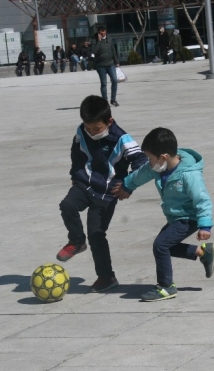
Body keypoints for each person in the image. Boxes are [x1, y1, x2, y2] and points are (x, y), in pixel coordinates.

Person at [57, 95, 148, 292]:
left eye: (97, 129)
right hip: (84, 183)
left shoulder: (122, 139)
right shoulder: (81, 132)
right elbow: (77, 154)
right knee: (67, 205)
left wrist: (128, 185)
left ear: (109, 121)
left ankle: (106, 277)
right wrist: (75, 175)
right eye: (88, 128)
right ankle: (76, 241)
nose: (92, 133)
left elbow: (141, 162)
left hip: (108, 192)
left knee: (96, 234)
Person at [113, 127, 214, 302]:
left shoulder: (189, 175)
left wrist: (205, 224)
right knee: (166, 246)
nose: (149, 162)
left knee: (160, 245)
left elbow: (202, 199)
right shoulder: (159, 167)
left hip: (188, 218)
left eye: (150, 159)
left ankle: (166, 286)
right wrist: (128, 185)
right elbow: (142, 173)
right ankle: (202, 253)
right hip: (175, 217)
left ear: (163, 157)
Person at [91, 26, 121, 106]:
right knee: (104, 83)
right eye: (101, 32)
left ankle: (113, 99)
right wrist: (99, 41)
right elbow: (94, 51)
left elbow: (113, 51)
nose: (103, 33)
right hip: (101, 66)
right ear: (98, 33)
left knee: (114, 80)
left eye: (104, 32)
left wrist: (116, 61)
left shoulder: (109, 39)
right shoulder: (94, 40)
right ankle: (105, 101)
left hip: (110, 64)